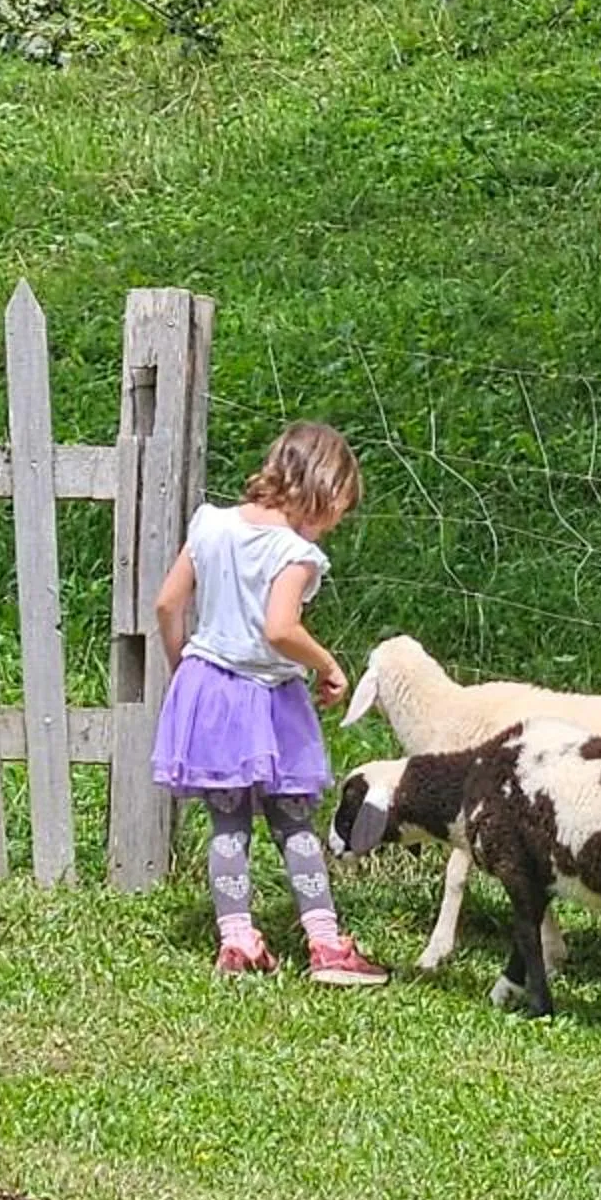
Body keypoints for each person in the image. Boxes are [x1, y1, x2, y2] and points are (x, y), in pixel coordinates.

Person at [149, 419, 389, 984]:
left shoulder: (210, 524)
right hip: (269, 700)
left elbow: (166, 603)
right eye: (338, 511)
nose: (333, 526)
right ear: (324, 490)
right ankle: (326, 945)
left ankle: (237, 943)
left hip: (209, 688)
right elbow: (280, 628)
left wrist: (184, 668)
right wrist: (328, 664)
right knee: (294, 824)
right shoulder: (293, 551)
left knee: (227, 825)